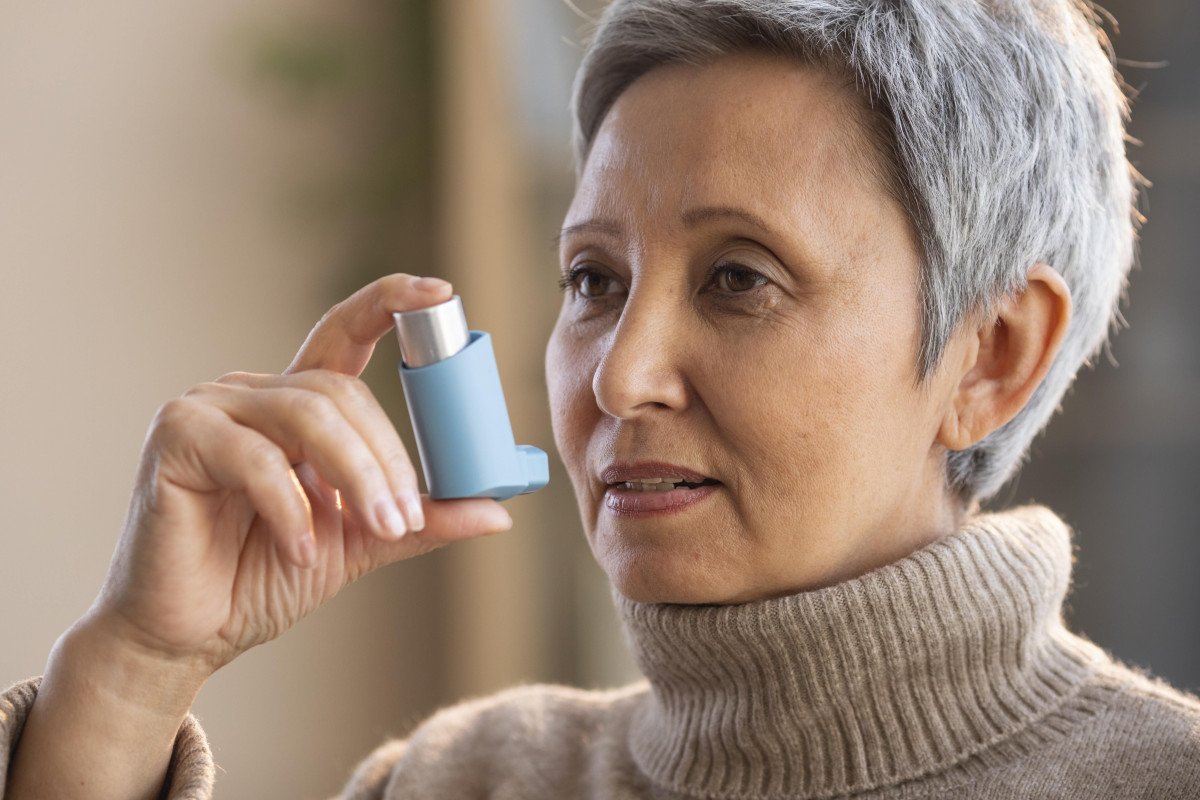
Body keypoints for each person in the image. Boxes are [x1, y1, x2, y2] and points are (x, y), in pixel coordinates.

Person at [4, 0, 1199, 797]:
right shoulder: (456, 781)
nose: (618, 374)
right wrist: (133, 672)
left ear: (993, 355)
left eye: (739, 277)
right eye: (593, 280)